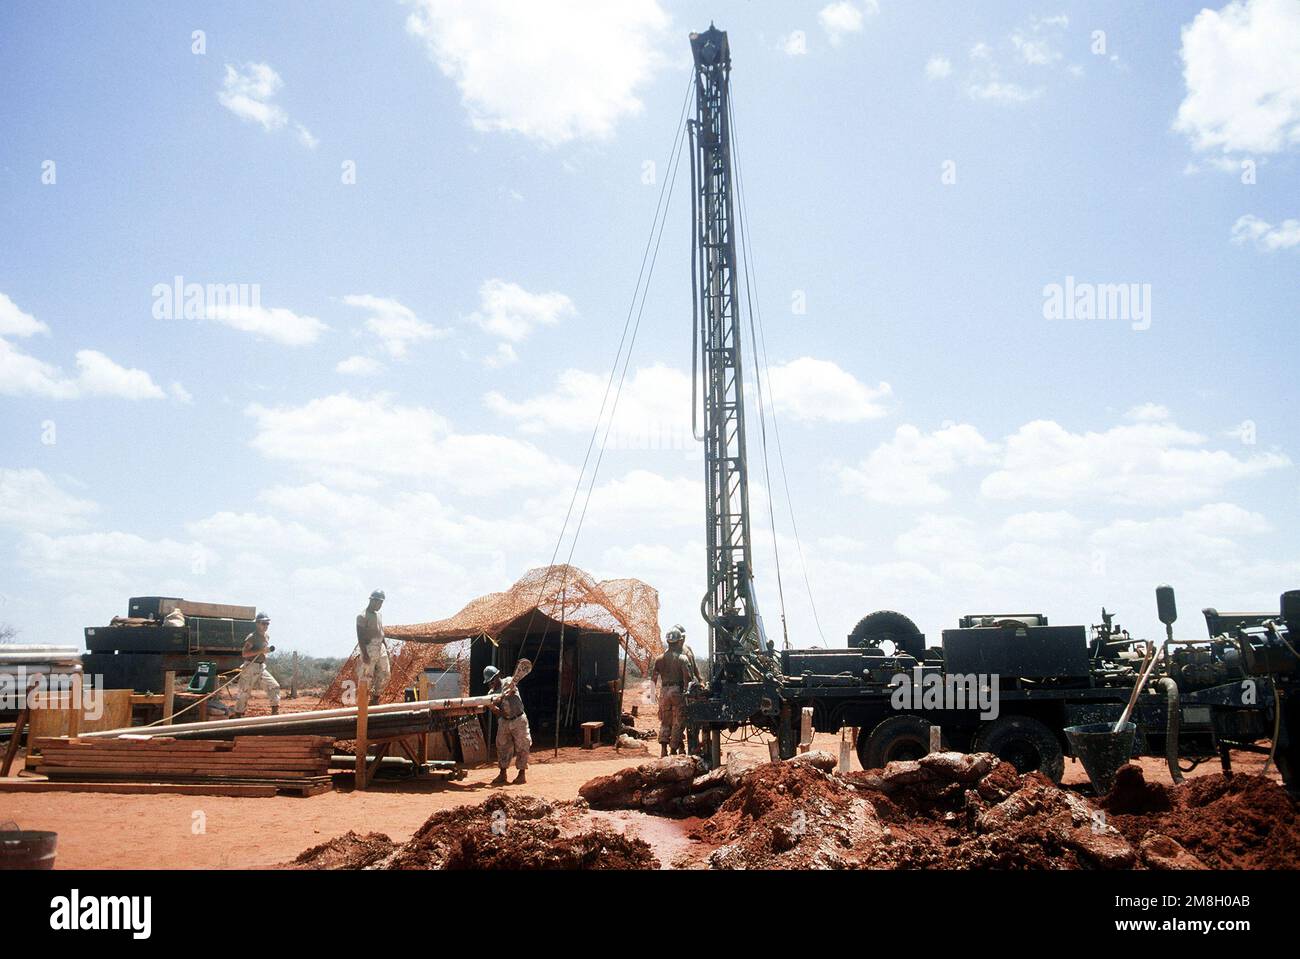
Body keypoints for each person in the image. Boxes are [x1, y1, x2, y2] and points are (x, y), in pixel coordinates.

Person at [651, 624, 699, 757]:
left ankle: (663, 749)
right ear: (679, 642)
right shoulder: (682, 658)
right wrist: (688, 694)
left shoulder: (659, 659)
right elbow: (688, 679)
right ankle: (673, 750)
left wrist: (652, 696)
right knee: (678, 721)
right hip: (677, 691)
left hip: (664, 692)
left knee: (665, 721)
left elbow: (653, 679)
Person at [485, 664, 530, 785]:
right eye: (489, 681)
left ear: (498, 676)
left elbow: (512, 690)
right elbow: (497, 711)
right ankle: (502, 773)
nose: (491, 683)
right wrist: (495, 708)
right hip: (504, 721)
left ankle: (521, 775)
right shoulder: (491, 693)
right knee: (502, 746)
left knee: (522, 745)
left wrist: (506, 693)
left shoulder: (509, 681)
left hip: (518, 719)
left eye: (492, 680)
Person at [233, 611, 280, 717]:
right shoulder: (252, 637)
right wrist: (261, 651)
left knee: (274, 686)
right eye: (263, 623)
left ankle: (275, 712)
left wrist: (264, 652)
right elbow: (244, 653)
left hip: (261, 667)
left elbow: (262, 651)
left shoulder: (266, 636)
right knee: (244, 692)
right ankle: (238, 715)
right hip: (250, 666)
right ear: (257, 624)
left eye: (267, 623)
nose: (265, 626)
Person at [355, 589, 390, 705]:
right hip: (369, 647)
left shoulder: (379, 615)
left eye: (381, 603)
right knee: (366, 676)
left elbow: (381, 631)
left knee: (385, 673)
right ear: (373, 601)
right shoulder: (362, 616)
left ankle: (375, 697)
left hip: (380, 646)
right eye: (379, 602)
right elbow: (360, 637)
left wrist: (385, 646)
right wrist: (364, 654)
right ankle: (363, 702)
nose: (380, 605)